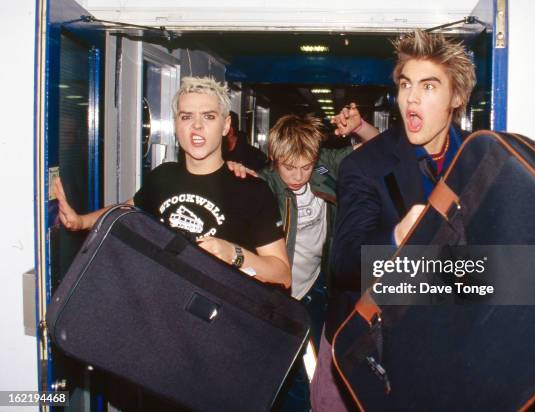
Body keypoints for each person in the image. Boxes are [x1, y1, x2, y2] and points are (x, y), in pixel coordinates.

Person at [310, 29, 476, 411]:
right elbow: (345, 262)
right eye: (406, 84)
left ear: (457, 96)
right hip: (364, 348)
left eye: (429, 86)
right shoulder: (364, 166)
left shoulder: (479, 157)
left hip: (440, 346)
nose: (412, 98)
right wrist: (396, 238)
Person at [54, 76, 290, 288]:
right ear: (176, 124)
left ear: (226, 125)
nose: (197, 126)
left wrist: (233, 253)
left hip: (221, 320)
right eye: (187, 116)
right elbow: (125, 210)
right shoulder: (163, 176)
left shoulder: (250, 188)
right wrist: (80, 221)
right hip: (165, 312)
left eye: (208, 116)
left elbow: (282, 275)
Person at [254, 114, 373, 411]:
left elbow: (381, 147)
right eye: (289, 168)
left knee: (318, 363)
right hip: (278, 292)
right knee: (283, 367)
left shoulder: (324, 167)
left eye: (305, 167)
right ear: (274, 158)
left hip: (317, 285)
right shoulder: (263, 183)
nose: (297, 176)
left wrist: (360, 128)